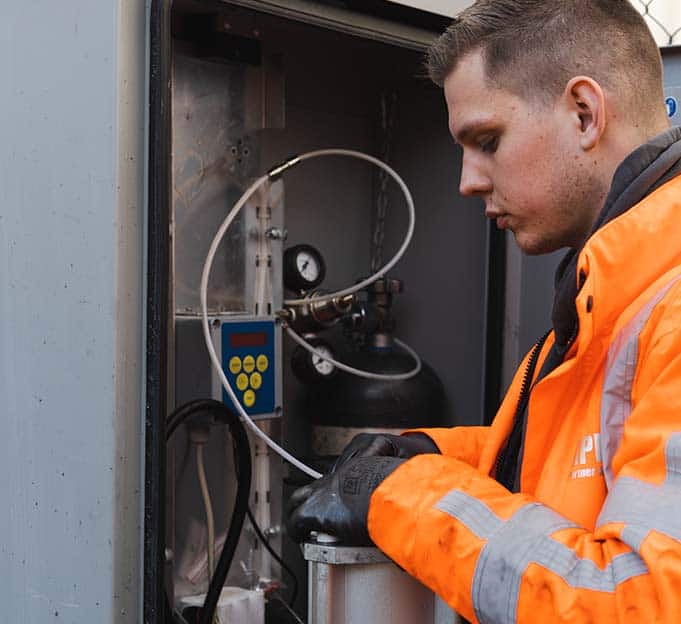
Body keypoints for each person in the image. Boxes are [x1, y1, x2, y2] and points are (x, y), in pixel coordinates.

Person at [287, 0, 681, 621]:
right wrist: (423, 454)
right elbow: (565, 476)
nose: (467, 181)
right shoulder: (607, 300)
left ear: (584, 113)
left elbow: (641, 602)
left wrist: (406, 495)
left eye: (487, 141)